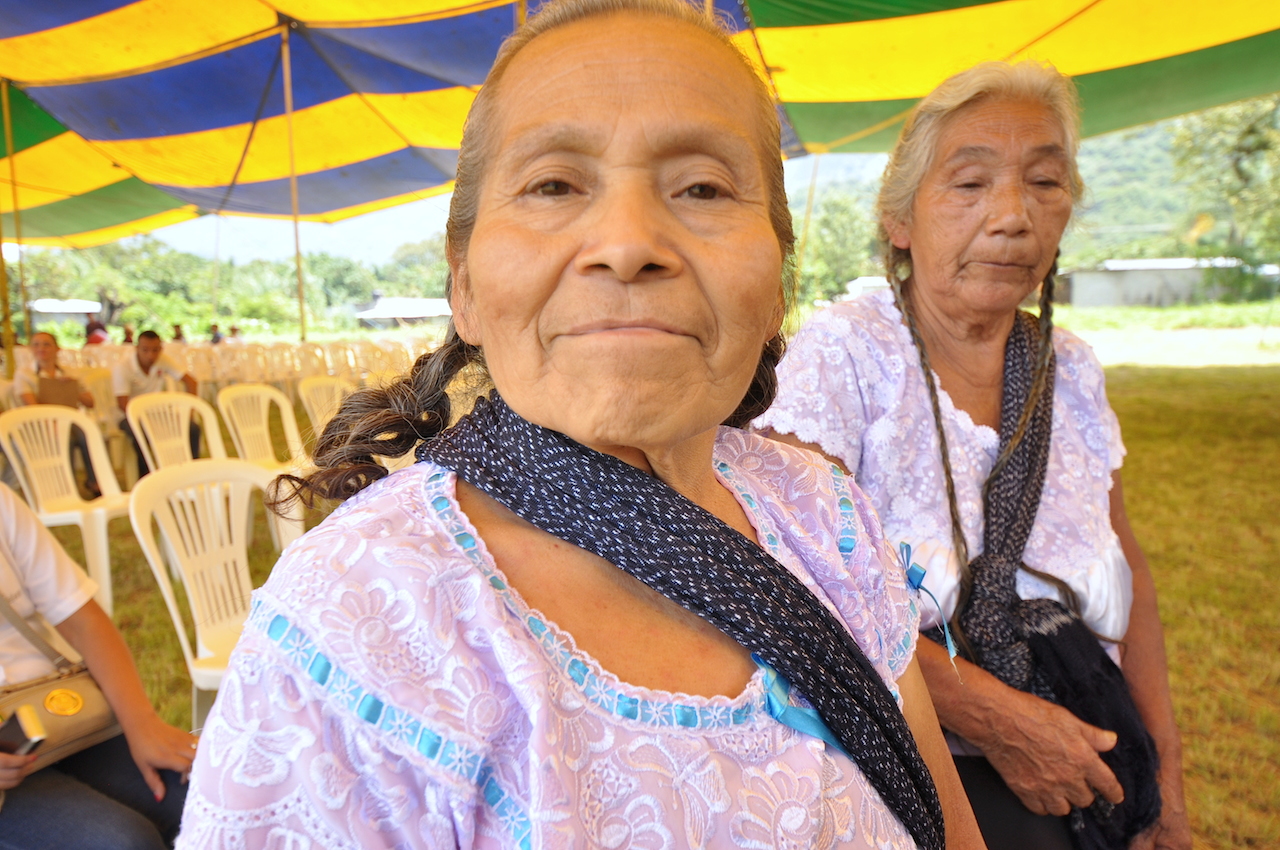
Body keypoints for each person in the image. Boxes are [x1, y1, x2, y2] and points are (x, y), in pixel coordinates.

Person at [178, 1, 984, 847]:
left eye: (703, 188)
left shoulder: (823, 515)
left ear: (776, 281)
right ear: (465, 289)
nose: (629, 242)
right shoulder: (357, 625)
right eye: (554, 185)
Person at [757, 62, 1189, 850]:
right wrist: (999, 720)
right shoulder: (842, 360)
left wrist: (1166, 781)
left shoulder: (1076, 372)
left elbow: (1132, 572)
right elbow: (792, 599)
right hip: (907, 763)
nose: (1013, 217)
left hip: (1091, 735)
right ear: (900, 220)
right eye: (969, 185)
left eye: (1046, 183)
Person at [0, 484, 197, 849]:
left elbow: (82, 620)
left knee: (206, 799)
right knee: (121, 842)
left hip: (65, 721)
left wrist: (143, 725)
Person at [13, 332, 100, 498]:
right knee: (65, 436)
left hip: (69, 420)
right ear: (31, 348)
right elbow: (31, 405)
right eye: (36, 344)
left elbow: (90, 402)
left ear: (57, 348)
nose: (41, 349)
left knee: (87, 433)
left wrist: (72, 390)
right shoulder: (25, 374)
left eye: (46, 344)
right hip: (38, 423)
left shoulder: (70, 373)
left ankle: (94, 481)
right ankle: (66, 485)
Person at [113, 331, 199, 476]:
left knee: (192, 428)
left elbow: (191, 382)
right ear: (136, 348)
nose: (150, 355)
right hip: (129, 415)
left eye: (155, 350)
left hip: (156, 413)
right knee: (141, 435)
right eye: (145, 350)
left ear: (161, 349)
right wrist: (147, 420)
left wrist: (189, 412)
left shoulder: (162, 360)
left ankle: (190, 472)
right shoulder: (123, 367)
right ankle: (146, 477)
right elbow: (123, 404)